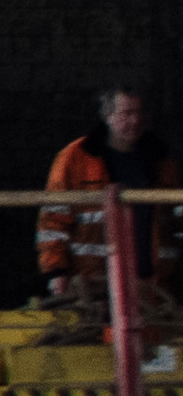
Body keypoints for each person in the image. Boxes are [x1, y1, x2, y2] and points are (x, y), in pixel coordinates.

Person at [46, 85, 156, 336]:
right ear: (107, 115)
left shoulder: (160, 161)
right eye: (127, 113)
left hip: (148, 287)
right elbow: (53, 219)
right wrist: (57, 271)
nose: (135, 120)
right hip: (90, 284)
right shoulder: (75, 158)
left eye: (139, 113)